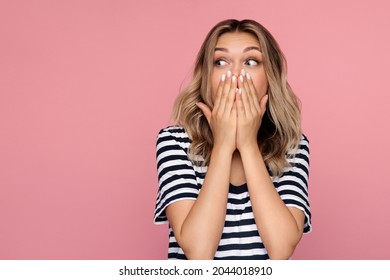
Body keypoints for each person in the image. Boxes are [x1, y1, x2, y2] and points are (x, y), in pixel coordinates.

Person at [153, 19, 311, 260]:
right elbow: (198, 252)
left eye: (251, 62)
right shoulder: (174, 142)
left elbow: (281, 249)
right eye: (221, 62)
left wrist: (247, 145)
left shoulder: (292, 146)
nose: (236, 74)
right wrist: (224, 144)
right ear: (207, 75)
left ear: (270, 76)